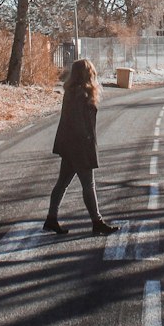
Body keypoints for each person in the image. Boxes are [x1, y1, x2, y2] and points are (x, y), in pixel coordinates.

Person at [44, 58, 116, 236]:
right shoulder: (81, 95)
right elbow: (80, 125)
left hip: (69, 145)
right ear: (88, 74)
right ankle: (97, 222)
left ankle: (51, 219)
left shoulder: (72, 92)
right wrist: (86, 147)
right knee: (88, 185)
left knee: (62, 184)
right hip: (79, 146)